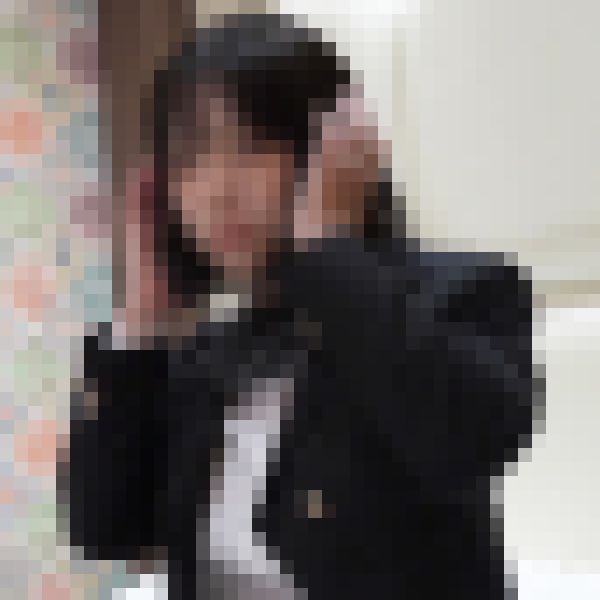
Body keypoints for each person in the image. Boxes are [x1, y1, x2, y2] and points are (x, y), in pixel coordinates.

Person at [66, 13, 537, 600]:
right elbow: (103, 528)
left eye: (251, 147)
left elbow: (473, 440)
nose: (218, 189)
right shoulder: (205, 353)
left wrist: (327, 246)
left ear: (330, 152)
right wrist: (141, 321)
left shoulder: (463, 290)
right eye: (189, 159)